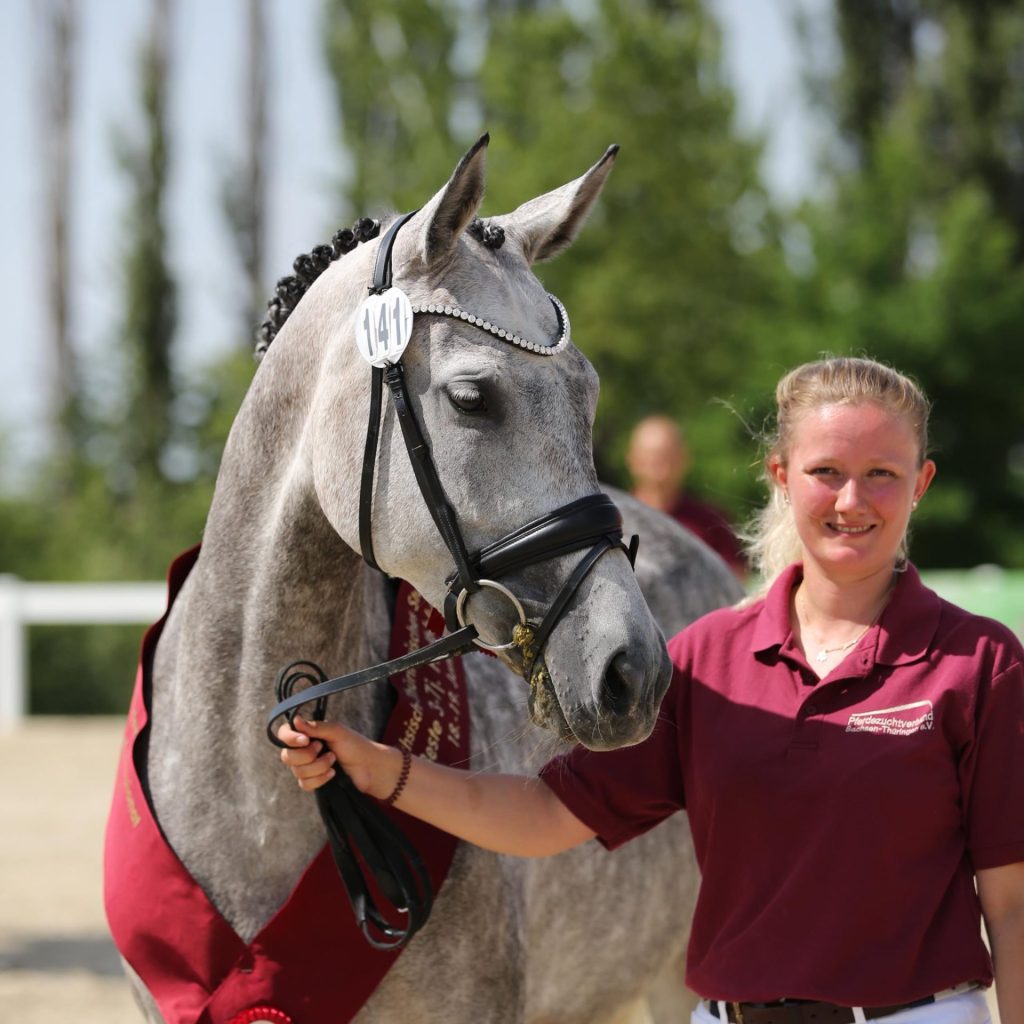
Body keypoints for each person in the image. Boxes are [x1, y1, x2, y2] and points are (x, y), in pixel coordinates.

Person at [279, 357, 1024, 1024]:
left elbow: (1014, 906)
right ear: (781, 475)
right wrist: (380, 770)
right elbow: (545, 815)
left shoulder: (983, 664)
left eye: (882, 473)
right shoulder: (706, 659)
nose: (852, 500)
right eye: (826, 470)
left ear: (921, 483)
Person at [626, 414, 746, 580]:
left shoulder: (711, 523)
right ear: (632, 460)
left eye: (667, 455)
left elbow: (735, 581)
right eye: (650, 456)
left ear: (684, 458)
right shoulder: (614, 522)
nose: (659, 465)